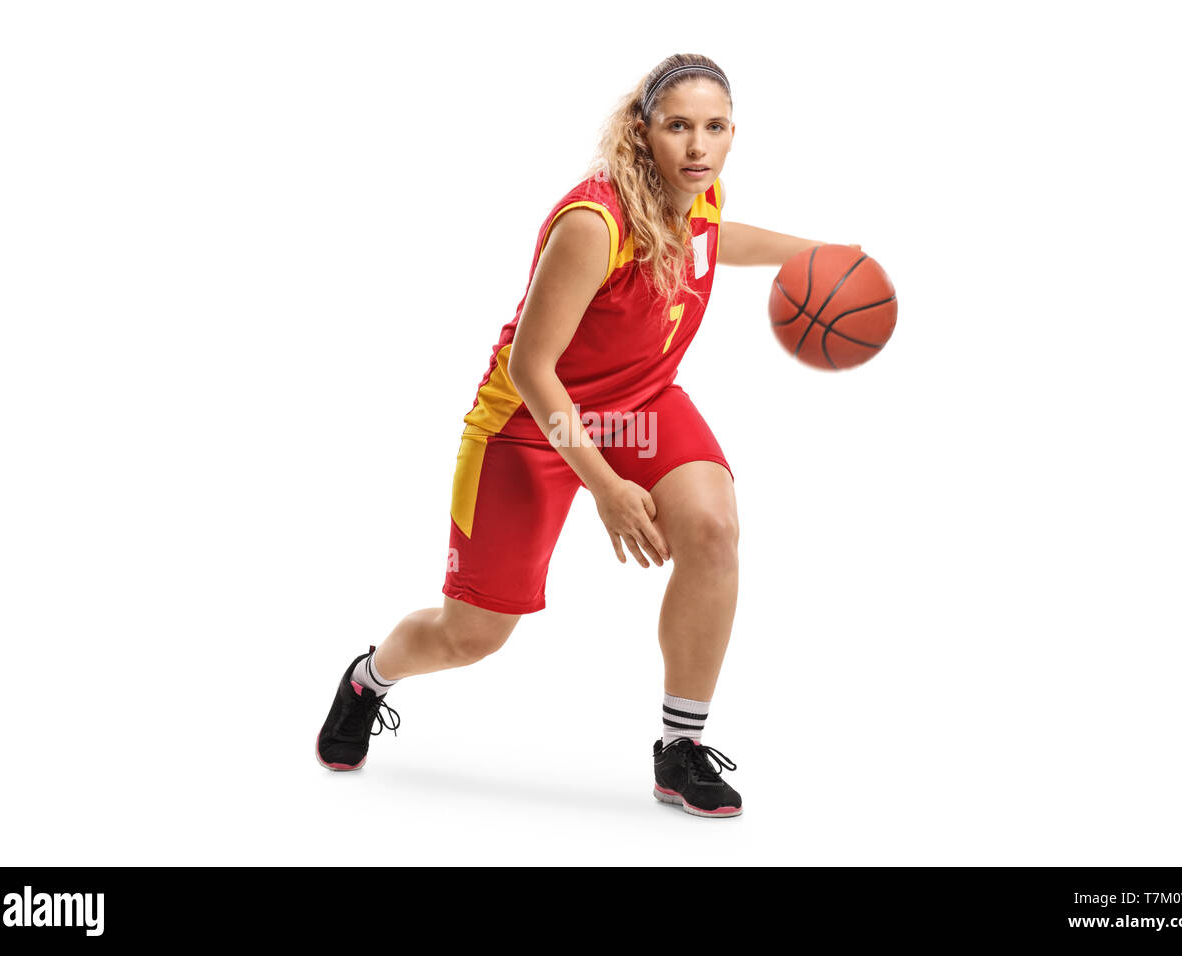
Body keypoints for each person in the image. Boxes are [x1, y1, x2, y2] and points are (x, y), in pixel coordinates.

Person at [316, 53, 857, 818]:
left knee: (711, 526)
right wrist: (605, 487)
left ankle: (681, 748)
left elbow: (714, 239)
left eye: (713, 128)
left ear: (734, 134)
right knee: (471, 636)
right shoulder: (593, 222)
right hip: (529, 426)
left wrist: (817, 252)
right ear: (644, 131)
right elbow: (534, 371)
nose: (697, 147)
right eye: (678, 127)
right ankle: (368, 679)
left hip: (639, 402)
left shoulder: (697, 197)